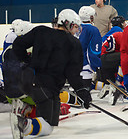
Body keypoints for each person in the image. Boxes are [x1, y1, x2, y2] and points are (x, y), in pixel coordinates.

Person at [10, 9, 91, 138]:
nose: (76, 30)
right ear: (67, 23)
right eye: (75, 27)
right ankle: (23, 123)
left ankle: (27, 109)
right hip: (45, 87)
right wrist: (83, 92)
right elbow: (73, 74)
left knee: (50, 124)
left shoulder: (41, 31)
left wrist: (28, 61)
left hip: (29, 80)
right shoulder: (74, 43)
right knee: (47, 127)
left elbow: (18, 45)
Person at [78, 6, 102, 90]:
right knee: (85, 92)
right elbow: (94, 51)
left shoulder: (76, 28)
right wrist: (96, 66)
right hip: (86, 65)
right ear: (90, 17)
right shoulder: (93, 30)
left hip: (74, 65)